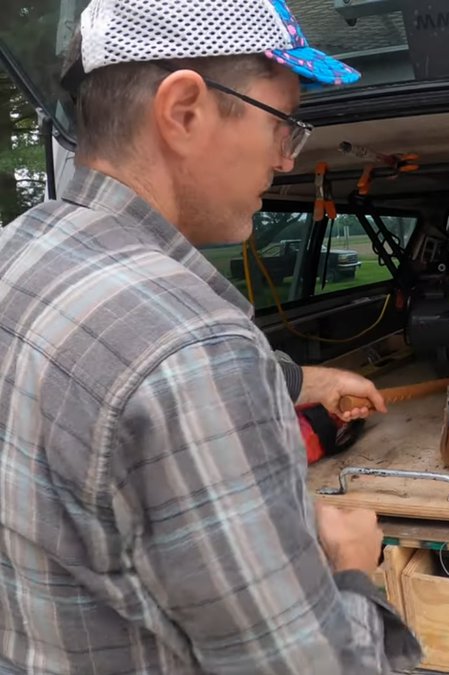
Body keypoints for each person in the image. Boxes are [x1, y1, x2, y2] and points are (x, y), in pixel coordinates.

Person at [0, 0, 421, 672]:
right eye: (283, 125)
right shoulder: (197, 351)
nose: (286, 162)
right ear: (184, 111)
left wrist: (308, 379)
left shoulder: (17, 256)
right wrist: (349, 567)